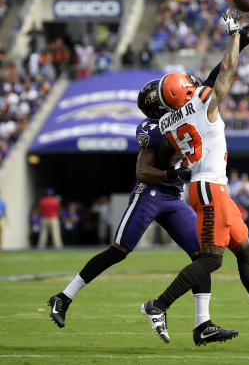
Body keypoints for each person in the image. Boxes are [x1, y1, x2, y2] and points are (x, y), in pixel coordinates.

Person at [140, 10, 249, 342]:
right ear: (186, 92)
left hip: (210, 187)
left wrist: (238, 43)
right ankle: (157, 305)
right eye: (188, 84)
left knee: (245, 250)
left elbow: (202, 89)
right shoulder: (202, 104)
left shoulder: (167, 123)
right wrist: (234, 36)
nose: (194, 84)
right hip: (209, 189)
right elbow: (225, 72)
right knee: (211, 260)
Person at [47, 79, 236, 346]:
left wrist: (238, 42)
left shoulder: (184, 113)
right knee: (118, 251)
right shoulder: (152, 128)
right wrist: (171, 173)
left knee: (202, 256)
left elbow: (205, 86)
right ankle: (63, 297)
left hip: (173, 197)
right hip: (150, 193)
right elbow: (142, 172)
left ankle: (202, 324)